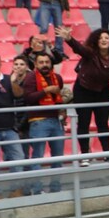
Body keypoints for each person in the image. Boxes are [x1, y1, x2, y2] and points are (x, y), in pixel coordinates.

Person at [60, 26, 109, 162]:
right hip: (83, 90)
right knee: (84, 124)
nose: (103, 40)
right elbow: (79, 49)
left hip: (102, 91)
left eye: (106, 38)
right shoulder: (90, 52)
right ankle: (84, 156)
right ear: (96, 40)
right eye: (101, 38)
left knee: (103, 124)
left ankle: (107, 153)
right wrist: (69, 39)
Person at [21, 51, 66, 193]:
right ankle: (37, 189)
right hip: (38, 121)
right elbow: (28, 98)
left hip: (56, 120)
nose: (45, 65)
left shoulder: (57, 77)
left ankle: (56, 188)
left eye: (47, 62)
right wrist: (46, 90)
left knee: (58, 157)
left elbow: (60, 97)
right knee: (37, 157)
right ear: (36, 64)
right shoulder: (30, 78)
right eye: (41, 62)